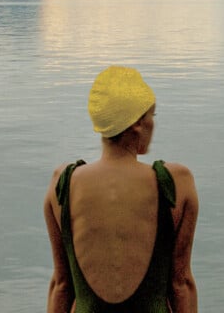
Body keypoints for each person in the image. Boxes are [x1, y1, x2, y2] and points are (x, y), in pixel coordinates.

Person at [44, 66, 199, 313]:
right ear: (137, 122)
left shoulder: (62, 184)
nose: (153, 124)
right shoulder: (176, 183)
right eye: (152, 115)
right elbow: (181, 284)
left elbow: (61, 286)